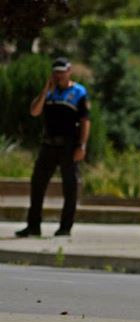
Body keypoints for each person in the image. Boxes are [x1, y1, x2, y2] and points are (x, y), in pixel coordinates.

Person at [15, 57, 91, 238]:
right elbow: (34, 112)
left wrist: (82, 145)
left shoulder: (79, 92)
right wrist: (45, 91)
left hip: (69, 145)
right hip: (48, 144)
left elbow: (85, 121)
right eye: (56, 71)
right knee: (37, 185)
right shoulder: (49, 92)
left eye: (62, 71)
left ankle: (65, 227)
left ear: (69, 71)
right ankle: (33, 226)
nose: (59, 75)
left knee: (70, 187)